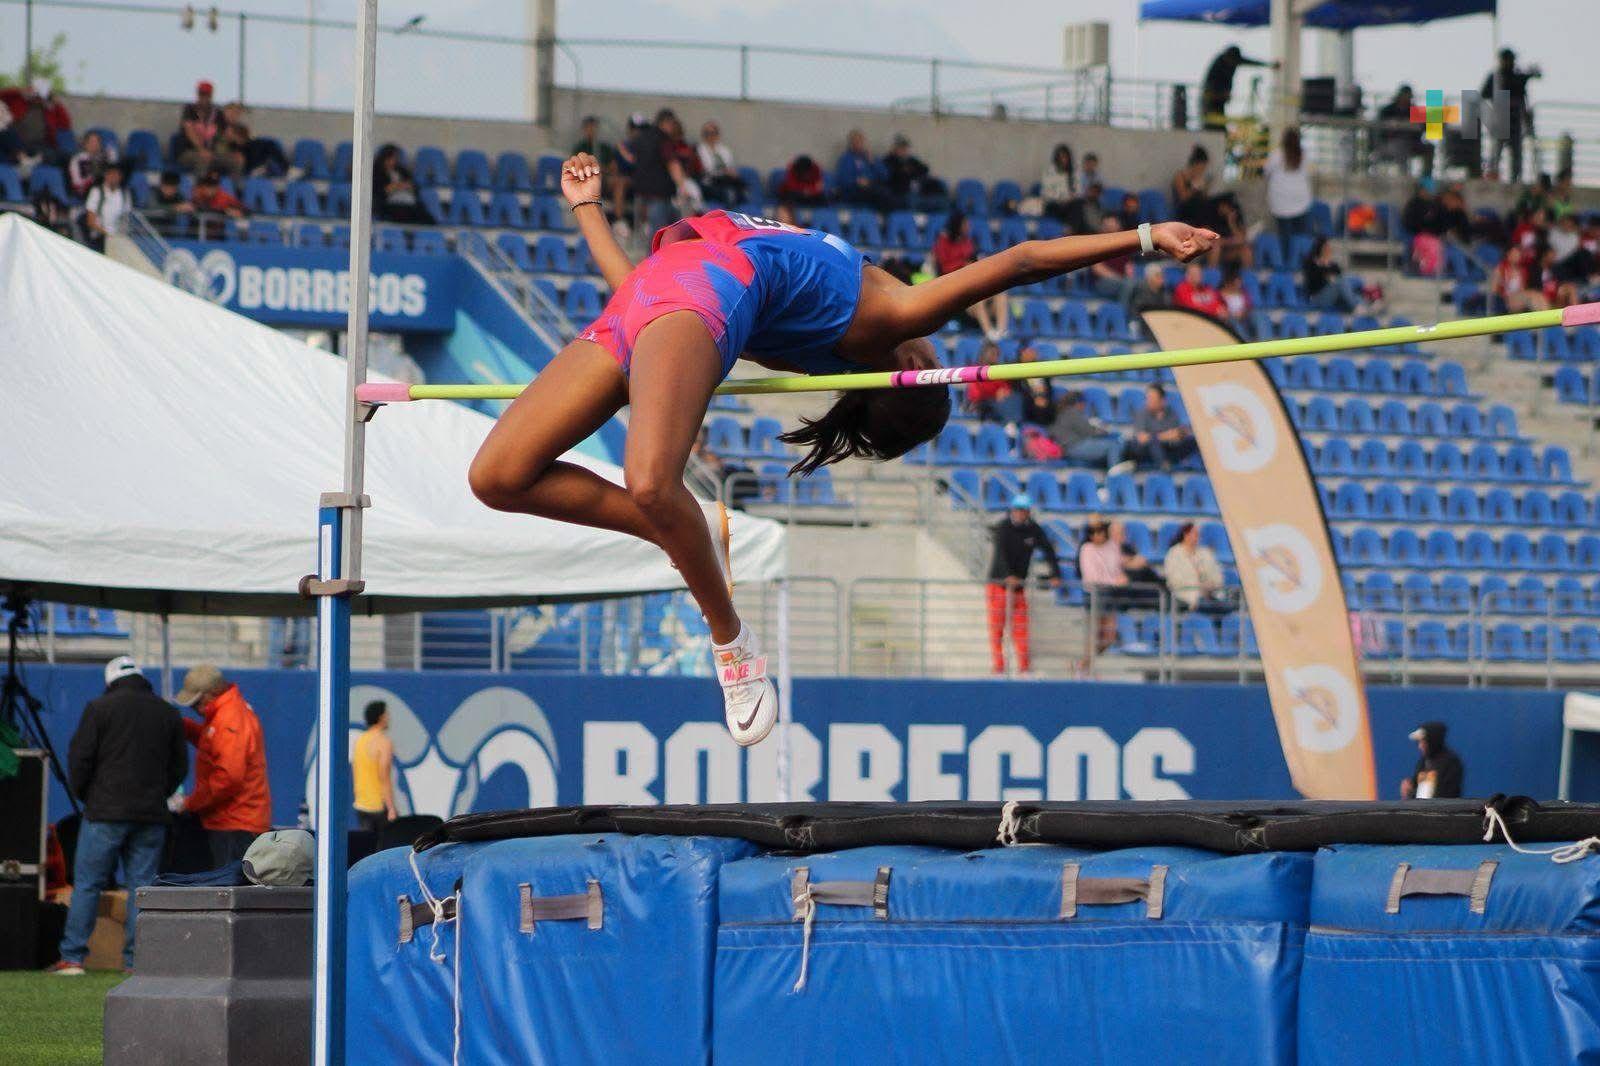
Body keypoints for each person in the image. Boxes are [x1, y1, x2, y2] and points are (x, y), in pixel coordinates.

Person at [467, 152, 1217, 746]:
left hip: (688, 294)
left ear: (911, 368)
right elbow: (648, 290)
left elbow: (1020, 260)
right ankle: (684, 527)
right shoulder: (830, 327)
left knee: (651, 481)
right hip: (650, 295)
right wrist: (589, 211)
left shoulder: (894, 314)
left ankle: (733, 646)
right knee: (498, 477)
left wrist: (1149, 238)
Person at [46, 657, 187, 976]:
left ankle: (72, 958)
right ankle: (136, 962)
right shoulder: (167, 712)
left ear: (110, 682)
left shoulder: (99, 708)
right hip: (151, 814)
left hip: (105, 811)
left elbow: (79, 759)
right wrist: (158, 794)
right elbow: (180, 766)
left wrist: (89, 797)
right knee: (142, 888)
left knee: (87, 885)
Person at [174, 664, 271, 867]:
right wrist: (185, 727)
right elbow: (216, 746)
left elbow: (228, 778)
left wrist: (190, 803)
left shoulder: (229, 720)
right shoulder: (228, 712)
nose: (193, 709)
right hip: (237, 821)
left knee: (229, 891)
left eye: (196, 703)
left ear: (210, 695)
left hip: (235, 823)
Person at [985, 494, 1062, 676]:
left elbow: (1048, 550)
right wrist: (1007, 576)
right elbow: (1000, 554)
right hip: (998, 586)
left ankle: (1024, 668)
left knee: (1021, 629)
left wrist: (1055, 573)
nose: (1020, 513)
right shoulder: (1003, 528)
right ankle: (999, 667)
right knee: (997, 628)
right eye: (1018, 509)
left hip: (1018, 587)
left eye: (1024, 510)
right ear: (1012, 510)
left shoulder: (1033, 529)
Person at [933, 212, 1009, 340]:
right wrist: (963, 264)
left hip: (971, 281)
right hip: (953, 286)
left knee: (1001, 293)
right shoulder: (942, 241)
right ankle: (989, 333)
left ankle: (1001, 330)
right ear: (957, 225)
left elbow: (972, 260)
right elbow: (944, 268)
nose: (968, 226)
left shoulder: (967, 241)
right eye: (965, 223)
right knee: (977, 299)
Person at [1481, 48, 1540, 183]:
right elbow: (1484, 94)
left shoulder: (1517, 76)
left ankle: (1515, 179)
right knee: (1496, 152)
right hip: (1500, 119)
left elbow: (1531, 81)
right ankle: (1493, 176)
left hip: (1515, 121)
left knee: (1516, 153)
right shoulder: (1496, 77)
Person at [1050, 390, 1133, 473]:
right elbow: (1089, 432)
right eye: (1083, 403)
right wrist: (1105, 432)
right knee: (1114, 445)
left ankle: (1113, 469)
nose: (1085, 406)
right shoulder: (1072, 413)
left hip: (1071, 447)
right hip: (1074, 447)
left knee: (1109, 444)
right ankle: (1114, 475)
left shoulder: (1064, 412)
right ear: (1079, 403)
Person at [1076, 517, 1126, 652]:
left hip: (1110, 594)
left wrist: (1120, 577)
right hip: (1093, 595)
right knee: (1094, 634)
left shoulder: (1113, 547)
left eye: (1100, 532)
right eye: (1093, 533)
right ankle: (1084, 666)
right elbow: (1091, 577)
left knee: (1109, 637)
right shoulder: (1086, 549)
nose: (1097, 536)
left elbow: (1117, 568)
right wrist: (1114, 581)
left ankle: (1085, 665)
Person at [1264, 128, 1312, 260]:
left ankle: (1286, 262)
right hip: (1300, 201)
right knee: (1300, 236)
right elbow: (1308, 174)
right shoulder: (1304, 155)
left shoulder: (1276, 155)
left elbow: (1266, 172)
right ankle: (1300, 261)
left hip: (1281, 202)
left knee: (1285, 237)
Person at [0, 78, 73, 165]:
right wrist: (19, 91)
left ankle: (28, 167)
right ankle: (24, 163)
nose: (37, 99)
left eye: (40, 97)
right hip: (17, 141)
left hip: (38, 145)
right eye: (36, 95)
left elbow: (66, 124)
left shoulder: (49, 109)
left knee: (61, 156)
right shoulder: (18, 100)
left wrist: (56, 103)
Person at [1163, 523, 1232, 615]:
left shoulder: (1206, 553)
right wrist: (1198, 585)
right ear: (1185, 535)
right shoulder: (1173, 554)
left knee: (1228, 606)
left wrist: (1212, 584)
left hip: (1211, 594)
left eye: (1198, 534)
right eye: (1195, 534)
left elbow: (1217, 575)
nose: (1197, 537)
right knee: (1204, 604)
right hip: (1187, 594)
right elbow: (1173, 580)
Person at [175, 79, 239, 176]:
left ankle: (237, 189)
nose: (204, 97)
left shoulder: (217, 113)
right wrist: (201, 149)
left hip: (212, 153)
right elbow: (189, 131)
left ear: (211, 95)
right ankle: (201, 188)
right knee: (203, 159)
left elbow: (227, 134)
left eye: (207, 94)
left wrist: (235, 151)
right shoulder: (189, 109)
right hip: (188, 152)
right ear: (197, 94)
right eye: (202, 94)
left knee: (236, 161)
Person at [1200, 45, 1273, 130]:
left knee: (1220, 122)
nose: (1232, 64)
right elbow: (1210, 85)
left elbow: (1250, 62)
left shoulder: (1235, 60)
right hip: (1212, 100)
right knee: (1213, 121)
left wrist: (1269, 65)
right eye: (1231, 61)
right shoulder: (1218, 66)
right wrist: (1222, 94)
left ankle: (1220, 129)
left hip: (1220, 98)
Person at [1128, 383, 1199, 470]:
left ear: (1162, 400)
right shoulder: (1142, 413)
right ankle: (1164, 467)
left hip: (1168, 448)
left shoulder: (1171, 413)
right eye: (1148, 398)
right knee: (1153, 443)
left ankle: (1194, 465)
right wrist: (1163, 436)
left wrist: (1157, 436)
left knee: (1192, 440)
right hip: (1147, 451)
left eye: (1152, 398)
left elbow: (1177, 434)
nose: (1149, 401)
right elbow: (1142, 438)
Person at [352, 700, 396, 835]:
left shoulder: (360, 741)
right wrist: (391, 807)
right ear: (381, 717)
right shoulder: (383, 742)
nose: (389, 717)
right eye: (387, 714)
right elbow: (384, 776)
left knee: (367, 847)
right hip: (378, 805)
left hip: (361, 804)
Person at [572, 115, 625, 221]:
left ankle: (619, 219)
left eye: (593, 127)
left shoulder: (604, 148)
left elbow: (613, 167)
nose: (591, 130)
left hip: (604, 179)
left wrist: (602, 168)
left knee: (619, 182)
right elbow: (576, 168)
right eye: (589, 127)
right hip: (588, 180)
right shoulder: (580, 147)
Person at [219, 102, 290, 177]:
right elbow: (222, 144)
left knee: (268, 145)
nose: (234, 115)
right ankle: (257, 169)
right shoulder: (220, 127)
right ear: (225, 112)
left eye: (236, 113)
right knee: (260, 146)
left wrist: (239, 139)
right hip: (231, 152)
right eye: (232, 112)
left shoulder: (239, 127)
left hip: (245, 150)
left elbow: (246, 139)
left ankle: (285, 169)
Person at [372, 143, 434, 225]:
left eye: (395, 158)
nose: (394, 160)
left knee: (424, 215)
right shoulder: (377, 172)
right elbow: (379, 192)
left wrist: (408, 187)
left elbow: (413, 185)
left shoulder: (401, 170)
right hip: (391, 204)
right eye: (392, 158)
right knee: (402, 213)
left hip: (408, 201)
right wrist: (395, 187)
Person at [1400, 721, 1464, 799]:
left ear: (1433, 741)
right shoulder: (1423, 763)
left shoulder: (1451, 763)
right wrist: (1409, 790)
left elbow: (1445, 794)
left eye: (1424, 742)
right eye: (1419, 742)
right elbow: (1416, 791)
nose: (1420, 746)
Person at [1377, 86, 1432, 176]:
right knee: (1400, 146)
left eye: (1408, 96)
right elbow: (1380, 129)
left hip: (1413, 143)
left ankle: (1426, 176)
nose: (1406, 99)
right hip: (1391, 143)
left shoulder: (1415, 110)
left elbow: (1424, 127)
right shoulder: (1387, 110)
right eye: (1404, 96)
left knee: (1429, 148)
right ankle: (1403, 175)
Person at [882, 134, 944, 211]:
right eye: (900, 147)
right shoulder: (888, 160)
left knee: (939, 191)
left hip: (918, 190)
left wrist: (911, 171)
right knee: (911, 199)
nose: (903, 150)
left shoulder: (911, 160)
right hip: (900, 192)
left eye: (905, 147)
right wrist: (907, 172)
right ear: (895, 148)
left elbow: (925, 169)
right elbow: (895, 175)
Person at [1302, 236, 1364, 312]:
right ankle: (1358, 308)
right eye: (1326, 247)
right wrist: (1326, 274)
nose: (1328, 249)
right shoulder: (1311, 263)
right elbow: (1313, 281)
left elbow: (1339, 276)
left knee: (1351, 289)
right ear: (1320, 248)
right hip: (1317, 298)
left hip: (1332, 295)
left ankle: (1365, 308)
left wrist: (1328, 268)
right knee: (1340, 283)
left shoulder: (1333, 265)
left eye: (1329, 247)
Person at [81, 164, 131, 253]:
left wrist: (120, 236)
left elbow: (126, 218)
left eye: (116, 175)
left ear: (120, 177)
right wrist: (108, 235)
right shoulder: (96, 192)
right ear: (106, 175)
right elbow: (90, 221)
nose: (113, 178)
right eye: (111, 174)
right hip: (99, 237)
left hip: (118, 238)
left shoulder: (125, 194)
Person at [1088, 216, 1136, 307]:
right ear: (1103, 227)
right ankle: (1123, 314)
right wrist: (1117, 278)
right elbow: (1097, 268)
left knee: (1137, 285)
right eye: (1108, 225)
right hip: (1101, 282)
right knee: (1127, 285)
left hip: (1120, 281)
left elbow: (1129, 267)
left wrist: (1128, 278)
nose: (1111, 228)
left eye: (1113, 225)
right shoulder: (1097, 243)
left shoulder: (1124, 246)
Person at [695, 121, 746, 206]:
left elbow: (730, 166)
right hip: (709, 181)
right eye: (707, 133)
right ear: (703, 135)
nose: (710, 136)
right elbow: (706, 169)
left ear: (717, 135)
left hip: (726, 180)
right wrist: (723, 171)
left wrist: (731, 172)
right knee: (727, 193)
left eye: (713, 133)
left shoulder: (724, 150)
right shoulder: (699, 150)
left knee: (739, 186)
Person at [832, 129, 884, 209]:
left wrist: (873, 163)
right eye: (855, 141)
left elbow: (884, 175)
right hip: (853, 190)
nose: (858, 144)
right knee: (880, 195)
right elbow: (841, 179)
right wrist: (857, 181)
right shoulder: (845, 159)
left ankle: (887, 220)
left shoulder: (870, 157)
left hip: (871, 187)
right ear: (851, 143)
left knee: (886, 193)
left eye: (860, 141)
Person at [1172, 145, 1218, 230]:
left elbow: (1204, 197)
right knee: (1200, 206)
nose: (1202, 169)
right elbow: (1183, 198)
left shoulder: (1200, 177)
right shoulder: (1180, 176)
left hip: (1199, 209)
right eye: (1201, 166)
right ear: (1195, 164)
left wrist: (1205, 187)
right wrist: (1193, 188)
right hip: (1186, 209)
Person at [1492, 244, 1548, 313]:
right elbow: (1493, 291)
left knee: (1539, 295)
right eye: (1515, 253)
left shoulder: (1522, 271)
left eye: (1518, 254)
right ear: (1508, 254)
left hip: (1519, 297)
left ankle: (1546, 317)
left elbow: (1523, 290)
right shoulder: (1500, 269)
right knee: (1531, 296)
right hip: (1506, 300)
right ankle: (1542, 317)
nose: (1517, 256)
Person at [67, 130, 118, 198]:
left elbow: (114, 165)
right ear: (85, 144)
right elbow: (77, 182)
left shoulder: (103, 156)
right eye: (92, 142)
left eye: (97, 142)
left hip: (104, 185)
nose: (95, 144)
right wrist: (92, 178)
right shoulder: (77, 159)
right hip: (85, 189)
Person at [1039, 143, 1076, 224]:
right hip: (1054, 203)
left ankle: (1073, 231)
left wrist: (1071, 197)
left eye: (1065, 157)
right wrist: (1060, 198)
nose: (1063, 160)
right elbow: (1045, 193)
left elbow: (1077, 190)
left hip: (1069, 203)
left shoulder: (1072, 173)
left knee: (1079, 205)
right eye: (1061, 157)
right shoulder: (1049, 172)